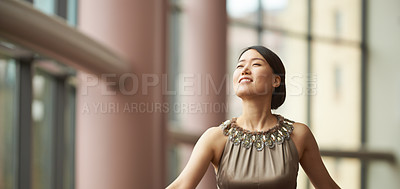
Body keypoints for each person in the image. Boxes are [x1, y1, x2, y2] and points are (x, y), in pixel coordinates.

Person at [166, 45, 340, 189]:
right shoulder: (215, 137)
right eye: (240, 66)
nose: (245, 70)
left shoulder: (299, 135)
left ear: (276, 81)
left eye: (256, 64)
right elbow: (181, 186)